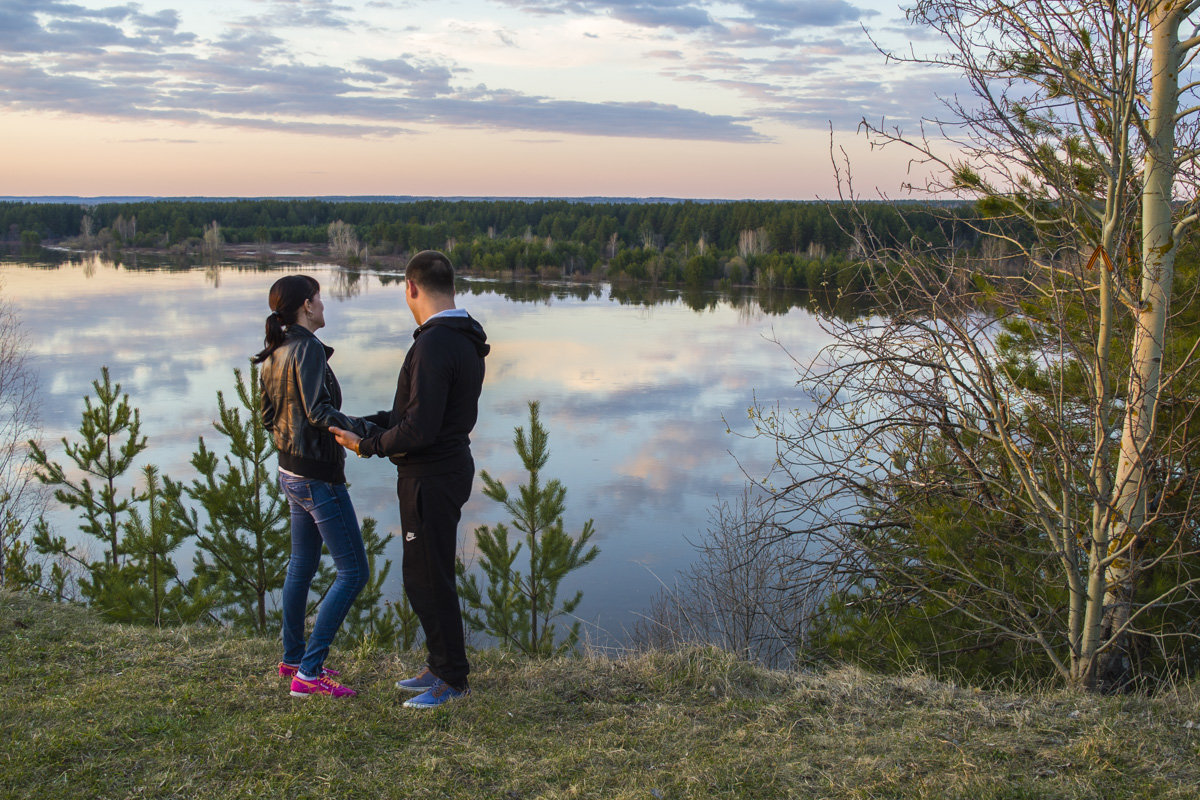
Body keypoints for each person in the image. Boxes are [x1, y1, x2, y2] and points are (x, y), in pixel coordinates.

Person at [330, 250, 489, 710]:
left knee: (428, 578)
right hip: (442, 468)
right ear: (451, 287)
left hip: (431, 476)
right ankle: (439, 666)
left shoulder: (435, 344)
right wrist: (364, 423)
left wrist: (367, 446)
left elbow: (418, 431)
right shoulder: (460, 337)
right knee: (424, 573)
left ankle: (453, 679)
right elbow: (411, 417)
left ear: (411, 288)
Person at [254, 274, 371, 699]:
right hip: (318, 476)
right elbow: (320, 411)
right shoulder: (307, 350)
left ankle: (292, 658)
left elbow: (268, 417)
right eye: (320, 299)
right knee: (355, 572)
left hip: (289, 472)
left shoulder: (274, 352)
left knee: (301, 564)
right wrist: (365, 431)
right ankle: (309, 672)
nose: (324, 306)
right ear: (306, 305)